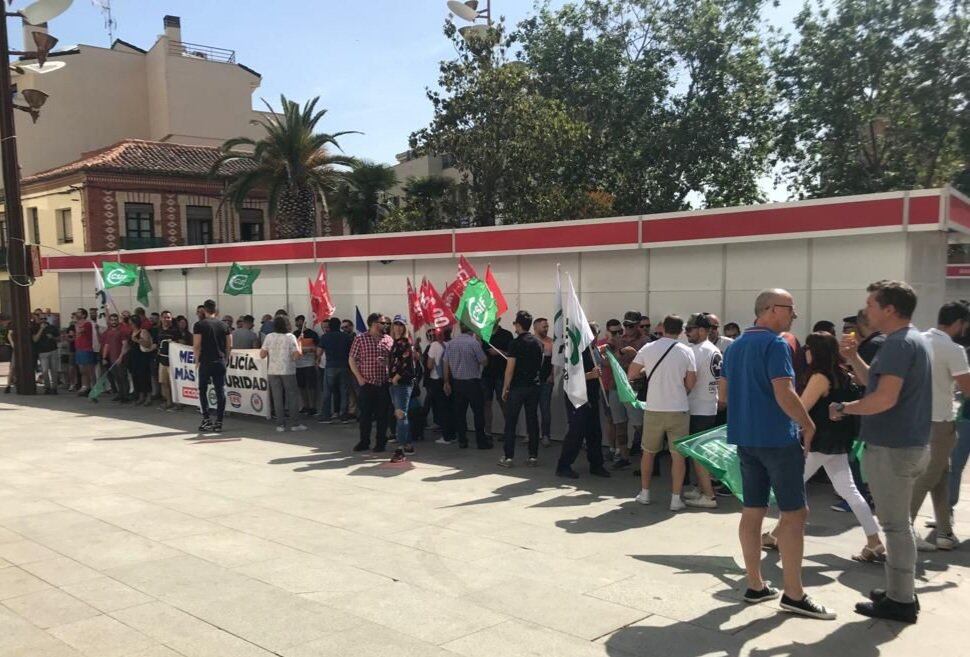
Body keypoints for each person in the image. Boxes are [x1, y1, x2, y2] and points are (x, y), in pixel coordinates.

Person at [721, 288, 834, 620]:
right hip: (777, 440)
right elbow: (784, 392)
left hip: (745, 439)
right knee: (796, 514)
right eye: (790, 310)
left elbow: (723, 395)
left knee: (753, 510)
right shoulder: (776, 344)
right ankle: (794, 594)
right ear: (770, 309)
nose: (794, 316)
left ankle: (755, 585)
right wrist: (807, 423)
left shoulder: (735, 345)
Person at [831, 281, 932, 624]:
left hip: (894, 447)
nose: (866, 311)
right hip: (906, 445)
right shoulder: (908, 341)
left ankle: (901, 600)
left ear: (889, 309)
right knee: (898, 524)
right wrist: (852, 357)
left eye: (871, 304)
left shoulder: (898, 345)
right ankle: (898, 591)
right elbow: (874, 383)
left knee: (895, 526)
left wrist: (845, 408)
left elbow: (883, 399)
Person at [763, 332, 883, 561]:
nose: (804, 352)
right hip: (837, 443)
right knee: (850, 491)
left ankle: (776, 536)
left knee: (791, 490)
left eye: (807, 348)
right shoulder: (844, 374)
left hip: (816, 443)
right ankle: (874, 541)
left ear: (814, 351)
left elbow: (801, 407)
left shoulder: (819, 377)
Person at [907, 302, 970, 551]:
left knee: (942, 475)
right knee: (928, 477)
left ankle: (945, 532)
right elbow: (968, 388)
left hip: (917, 420)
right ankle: (904, 530)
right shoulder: (952, 349)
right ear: (959, 323)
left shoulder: (919, 341)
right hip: (940, 423)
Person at [627, 315, 697, 510]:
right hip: (679, 409)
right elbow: (691, 383)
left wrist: (648, 372)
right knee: (678, 456)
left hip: (654, 408)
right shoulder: (686, 351)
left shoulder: (648, 348)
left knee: (648, 453)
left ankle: (645, 493)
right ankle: (676, 499)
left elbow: (631, 374)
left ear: (663, 328)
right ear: (681, 330)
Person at [558, 326, 611, 479]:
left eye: (594, 334)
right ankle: (564, 466)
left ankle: (596, 465)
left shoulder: (593, 350)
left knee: (594, 432)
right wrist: (590, 375)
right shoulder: (575, 352)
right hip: (577, 397)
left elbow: (605, 363)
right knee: (576, 432)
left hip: (592, 396)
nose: (592, 337)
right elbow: (569, 376)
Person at [682, 313, 722, 508]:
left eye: (689, 329)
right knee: (700, 451)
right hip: (708, 406)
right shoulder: (713, 349)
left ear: (702, 330)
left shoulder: (698, 351)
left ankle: (709, 495)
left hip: (698, 407)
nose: (686, 333)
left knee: (698, 453)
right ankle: (701, 488)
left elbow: (689, 380)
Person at [498, 311, 543, 467]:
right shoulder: (539, 343)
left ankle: (508, 457)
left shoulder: (515, 344)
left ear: (518, 325)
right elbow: (540, 365)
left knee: (511, 422)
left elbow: (509, 369)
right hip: (534, 386)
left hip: (518, 387)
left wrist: (505, 387)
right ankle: (533, 456)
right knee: (532, 421)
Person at [607, 311, 649, 469]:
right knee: (619, 423)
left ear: (638, 325)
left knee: (639, 425)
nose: (627, 328)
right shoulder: (618, 340)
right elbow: (605, 360)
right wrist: (612, 352)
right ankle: (623, 456)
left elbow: (650, 365)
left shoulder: (646, 341)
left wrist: (635, 355)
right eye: (625, 325)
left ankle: (648, 459)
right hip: (616, 386)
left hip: (634, 389)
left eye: (631, 325)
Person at [349, 313, 393, 452]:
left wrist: (387, 363)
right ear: (374, 324)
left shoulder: (388, 339)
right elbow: (352, 359)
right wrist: (359, 378)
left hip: (383, 383)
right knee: (365, 415)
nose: (385, 326)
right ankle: (364, 441)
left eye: (386, 323)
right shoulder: (360, 339)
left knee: (382, 416)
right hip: (367, 383)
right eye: (382, 323)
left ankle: (380, 442)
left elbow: (393, 360)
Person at [442, 323, 490, 449]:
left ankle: (462, 440)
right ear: (472, 329)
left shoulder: (451, 344)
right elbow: (484, 362)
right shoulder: (473, 343)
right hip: (472, 382)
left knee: (460, 414)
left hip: (457, 382)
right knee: (478, 413)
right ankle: (481, 441)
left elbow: (445, 363)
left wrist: (446, 381)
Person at [260, 314, 307, 432]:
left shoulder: (269, 337)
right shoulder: (290, 337)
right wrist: (299, 343)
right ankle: (295, 424)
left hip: (272, 370)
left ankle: (280, 424)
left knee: (277, 398)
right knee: (292, 397)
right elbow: (296, 356)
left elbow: (262, 354)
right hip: (288, 370)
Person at [193, 299, 232, 433]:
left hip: (205, 361)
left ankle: (207, 419)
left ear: (204, 310)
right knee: (220, 391)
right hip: (219, 361)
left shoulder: (199, 325)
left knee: (202, 390)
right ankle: (219, 421)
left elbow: (197, 345)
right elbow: (229, 344)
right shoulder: (224, 325)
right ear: (215, 310)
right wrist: (226, 358)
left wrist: (196, 360)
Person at [388, 315, 416, 462]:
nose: (398, 327)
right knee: (401, 414)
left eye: (401, 324)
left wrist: (396, 378)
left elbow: (405, 363)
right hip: (394, 383)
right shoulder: (395, 342)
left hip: (402, 383)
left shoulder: (405, 343)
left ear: (405, 327)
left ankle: (400, 450)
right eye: (396, 324)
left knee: (400, 415)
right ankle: (408, 445)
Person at [317, 317, 354, 423]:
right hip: (344, 366)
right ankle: (343, 415)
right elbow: (351, 352)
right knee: (344, 391)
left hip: (330, 366)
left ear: (329, 326)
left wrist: (318, 359)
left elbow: (319, 352)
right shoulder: (346, 337)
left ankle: (326, 416)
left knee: (327, 392)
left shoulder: (325, 337)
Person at [482, 317, 512, 436]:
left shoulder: (506, 335)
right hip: (487, 374)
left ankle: (508, 432)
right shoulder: (484, 335)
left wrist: (500, 352)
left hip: (501, 374)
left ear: (498, 319)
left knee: (504, 402)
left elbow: (512, 354)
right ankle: (487, 431)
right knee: (486, 403)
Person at [426, 327, 455, 444]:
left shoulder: (434, 346)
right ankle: (452, 434)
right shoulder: (448, 345)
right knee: (449, 407)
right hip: (447, 379)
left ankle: (446, 436)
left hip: (436, 380)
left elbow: (429, 365)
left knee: (441, 409)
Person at [100, 313, 131, 402]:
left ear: (118, 320)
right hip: (112, 358)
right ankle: (120, 394)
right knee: (116, 377)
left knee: (123, 377)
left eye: (115, 320)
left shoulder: (121, 332)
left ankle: (126, 396)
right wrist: (104, 357)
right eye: (112, 320)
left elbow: (125, 345)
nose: (113, 322)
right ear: (109, 321)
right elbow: (107, 345)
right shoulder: (109, 332)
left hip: (120, 358)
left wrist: (121, 357)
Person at [534, 316, 554, 447]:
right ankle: (531, 434)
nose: (546, 329)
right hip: (531, 381)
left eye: (547, 326)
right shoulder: (530, 341)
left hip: (546, 381)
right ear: (535, 327)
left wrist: (552, 375)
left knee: (545, 409)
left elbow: (554, 362)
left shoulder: (551, 342)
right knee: (531, 410)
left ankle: (545, 435)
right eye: (544, 326)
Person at [155, 311, 182, 411]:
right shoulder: (159, 330)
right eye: (165, 317)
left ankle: (178, 404)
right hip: (162, 360)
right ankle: (168, 402)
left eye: (168, 317)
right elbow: (156, 343)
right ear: (161, 318)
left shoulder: (175, 330)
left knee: (173, 383)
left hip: (173, 362)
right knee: (164, 383)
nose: (166, 319)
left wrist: (174, 343)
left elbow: (182, 343)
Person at [292, 315, 319, 414]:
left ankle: (313, 406)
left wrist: (310, 350)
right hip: (298, 364)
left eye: (300, 322)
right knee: (301, 386)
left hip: (310, 363)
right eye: (297, 322)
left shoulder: (313, 334)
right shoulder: (294, 334)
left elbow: (318, 348)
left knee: (311, 386)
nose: (298, 324)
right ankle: (305, 405)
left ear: (304, 323)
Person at [128, 315, 156, 406]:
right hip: (133, 357)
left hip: (142, 357)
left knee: (144, 377)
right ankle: (140, 396)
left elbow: (147, 344)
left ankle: (148, 396)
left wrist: (137, 340)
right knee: (136, 377)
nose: (130, 325)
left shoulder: (143, 331)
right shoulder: (132, 332)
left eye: (131, 323)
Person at [32, 314, 60, 394]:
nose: (43, 320)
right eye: (41, 319)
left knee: (54, 370)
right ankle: (47, 387)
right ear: (39, 320)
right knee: (44, 370)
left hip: (53, 350)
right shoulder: (36, 328)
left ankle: (54, 388)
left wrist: (53, 337)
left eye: (45, 318)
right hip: (42, 352)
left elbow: (59, 338)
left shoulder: (52, 327)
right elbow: (35, 339)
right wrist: (41, 329)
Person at [73, 308, 97, 396]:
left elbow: (79, 331)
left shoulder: (87, 323)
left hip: (86, 349)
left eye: (79, 312)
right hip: (79, 349)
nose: (76, 313)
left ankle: (94, 388)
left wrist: (77, 324)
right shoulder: (76, 324)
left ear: (83, 315)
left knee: (90, 370)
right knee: (82, 370)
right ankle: (85, 387)